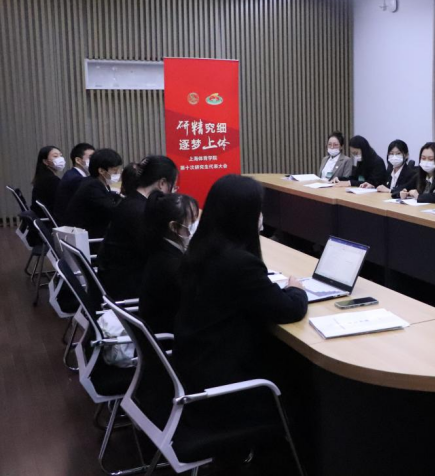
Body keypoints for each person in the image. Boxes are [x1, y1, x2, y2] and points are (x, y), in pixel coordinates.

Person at [175, 175, 307, 453]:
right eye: (258, 210)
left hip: (196, 369)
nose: (261, 216)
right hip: (224, 388)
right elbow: (289, 309)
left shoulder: (202, 248)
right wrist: (296, 289)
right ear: (242, 214)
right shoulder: (238, 262)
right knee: (302, 373)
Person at [97, 155, 178, 300]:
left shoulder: (131, 201)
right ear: (162, 183)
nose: (173, 190)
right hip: (128, 286)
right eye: (173, 185)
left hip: (115, 277)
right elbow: (157, 253)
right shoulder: (140, 211)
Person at [139, 191, 199, 334]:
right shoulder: (173, 266)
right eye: (192, 221)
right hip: (170, 335)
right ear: (173, 227)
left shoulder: (160, 248)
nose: (196, 225)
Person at [63, 148, 123, 239]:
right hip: (88, 238)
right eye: (115, 170)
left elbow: (110, 197)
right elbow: (111, 210)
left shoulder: (95, 182)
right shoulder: (92, 187)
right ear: (101, 171)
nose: (118, 173)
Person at [54, 143, 95, 223]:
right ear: (78, 160)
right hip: (72, 224)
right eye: (91, 158)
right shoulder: (76, 179)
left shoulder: (71, 174)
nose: (95, 161)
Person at [31, 145, 64, 218]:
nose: (60, 159)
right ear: (45, 161)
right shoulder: (51, 180)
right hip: (50, 219)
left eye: (61, 156)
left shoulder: (43, 176)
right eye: (55, 156)